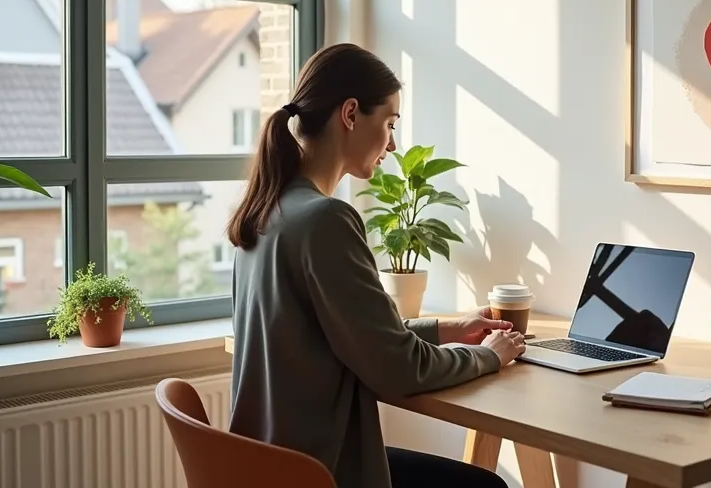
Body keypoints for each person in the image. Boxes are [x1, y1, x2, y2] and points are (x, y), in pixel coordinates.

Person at [225, 43, 526, 488]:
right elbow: (398, 370)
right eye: (388, 123)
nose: (393, 143)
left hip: (271, 466)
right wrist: (486, 356)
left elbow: (353, 334)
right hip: (320, 471)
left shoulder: (267, 212)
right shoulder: (325, 219)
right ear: (350, 114)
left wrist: (448, 329)